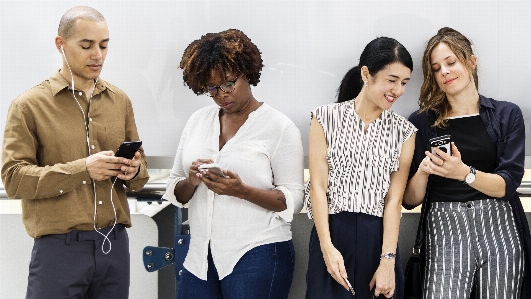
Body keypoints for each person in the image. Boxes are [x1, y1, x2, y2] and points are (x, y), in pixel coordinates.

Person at [1, 6, 149, 299]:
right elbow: (14, 179)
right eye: (86, 45)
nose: (98, 55)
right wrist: (83, 169)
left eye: (104, 45)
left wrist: (134, 170)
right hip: (59, 251)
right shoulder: (28, 105)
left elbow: (139, 172)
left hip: (114, 248)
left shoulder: (120, 101)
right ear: (61, 44)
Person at [162, 29, 304, 299]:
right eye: (212, 88)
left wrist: (241, 190)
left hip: (258, 252)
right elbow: (176, 190)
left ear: (247, 73)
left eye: (228, 83)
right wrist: (191, 181)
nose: (221, 94)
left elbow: (294, 199)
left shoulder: (279, 127)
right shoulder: (197, 122)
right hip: (200, 258)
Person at [403, 27, 531, 298]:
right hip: (445, 227)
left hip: (499, 226)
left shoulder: (506, 114)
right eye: (436, 68)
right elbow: (410, 200)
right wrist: (424, 172)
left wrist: (464, 173)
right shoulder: (421, 122)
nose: (445, 72)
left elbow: (507, 184)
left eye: (451, 62)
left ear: (471, 62)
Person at [305, 37, 417, 299]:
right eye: (392, 80)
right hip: (331, 232)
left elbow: (394, 199)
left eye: (404, 83)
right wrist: (327, 248)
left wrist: (388, 260)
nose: (398, 90)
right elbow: (318, 188)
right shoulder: (324, 117)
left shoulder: (404, 132)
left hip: (378, 239)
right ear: (366, 73)